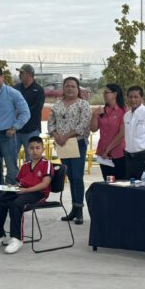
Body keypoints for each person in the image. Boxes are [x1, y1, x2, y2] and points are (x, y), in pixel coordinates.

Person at [0, 136, 53, 254]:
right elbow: (19, 182)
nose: (34, 151)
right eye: (31, 148)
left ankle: (17, 239)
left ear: (43, 149)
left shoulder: (46, 164)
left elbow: (45, 184)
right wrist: (11, 187)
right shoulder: (25, 165)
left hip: (38, 194)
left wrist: (26, 190)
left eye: (37, 148)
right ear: (27, 150)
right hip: (22, 190)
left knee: (16, 204)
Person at [48, 76, 91, 224]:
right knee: (71, 177)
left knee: (78, 177)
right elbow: (51, 124)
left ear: (78, 89)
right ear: (63, 88)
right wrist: (56, 136)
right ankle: (73, 209)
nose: (70, 88)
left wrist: (65, 136)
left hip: (77, 144)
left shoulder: (83, 105)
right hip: (62, 145)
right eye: (67, 86)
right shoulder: (57, 105)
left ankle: (79, 210)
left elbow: (84, 125)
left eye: (73, 86)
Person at [90, 83, 126, 180]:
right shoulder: (102, 110)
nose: (104, 94)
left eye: (106, 92)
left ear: (115, 94)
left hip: (118, 153)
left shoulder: (123, 111)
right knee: (107, 182)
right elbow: (93, 129)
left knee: (118, 182)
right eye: (103, 92)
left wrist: (108, 150)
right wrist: (94, 115)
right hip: (103, 154)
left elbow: (122, 134)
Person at [14, 64, 46, 163]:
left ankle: (31, 178)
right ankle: (14, 178)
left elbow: (37, 108)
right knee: (12, 157)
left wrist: (22, 114)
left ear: (29, 74)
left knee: (32, 158)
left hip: (31, 129)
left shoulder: (39, 90)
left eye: (21, 73)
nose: (19, 75)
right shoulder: (16, 88)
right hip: (16, 130)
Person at [122, 85, 145, 180]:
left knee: (143, 188)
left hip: (143, 157)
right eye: (130, 97)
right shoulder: (126, 116)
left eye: (136, 97)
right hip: (128, 157)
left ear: (141, 98)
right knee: (129, 188)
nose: (133, 100)